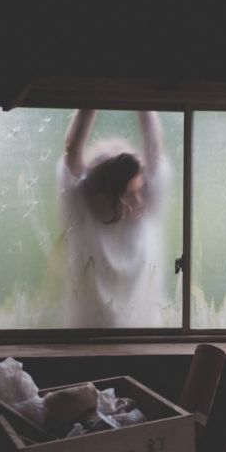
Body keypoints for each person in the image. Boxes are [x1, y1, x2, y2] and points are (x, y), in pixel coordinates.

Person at [57, 109, 170, 327]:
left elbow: (154, 150)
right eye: (127, 195)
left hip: (146, 343)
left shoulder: (147, 210)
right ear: (103, 195)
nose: (138, 201)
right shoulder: (83, 211)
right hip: (86, 341)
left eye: (140, 190)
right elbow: (72, 151)